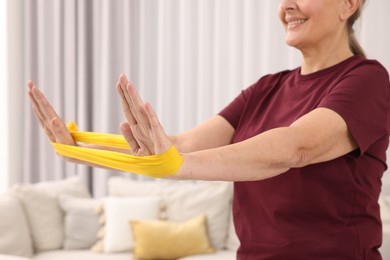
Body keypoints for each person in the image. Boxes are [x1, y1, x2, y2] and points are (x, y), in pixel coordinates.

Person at [28, 0, 390, 258]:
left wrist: (177, 164)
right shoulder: (266, 88)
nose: (287, 5)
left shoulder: (368, 80)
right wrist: (78, 146)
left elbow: (298, 147)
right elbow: (179, 145)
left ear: (348, 4)